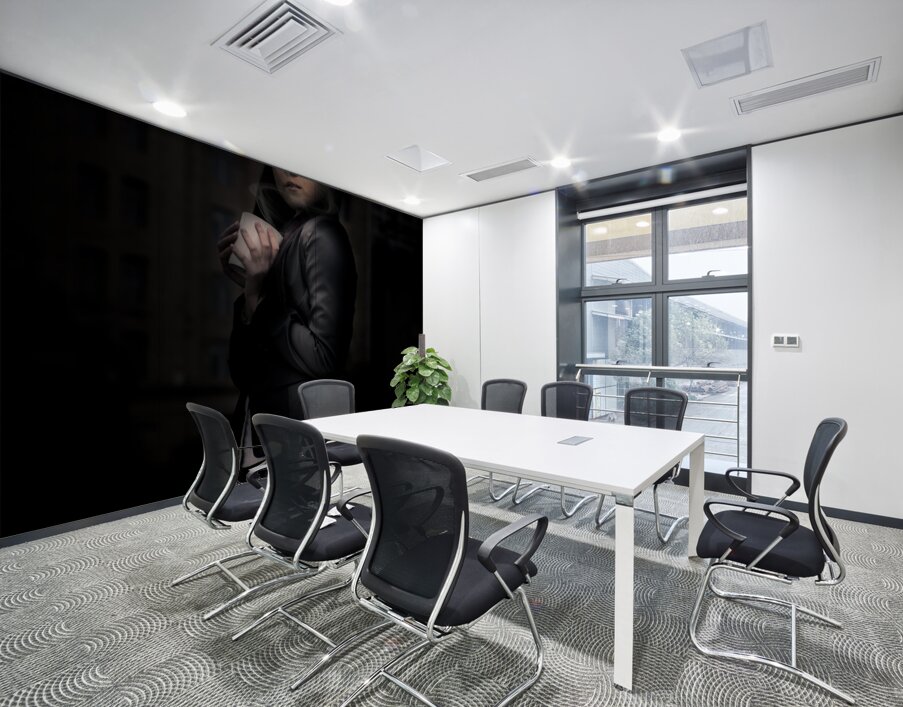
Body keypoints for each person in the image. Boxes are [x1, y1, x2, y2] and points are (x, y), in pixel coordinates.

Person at [216, 165, 357, 442]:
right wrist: (251, 289)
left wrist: (258, 297)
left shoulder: (320, 234)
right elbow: (243, 375)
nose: (290, 172)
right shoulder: (289, 236)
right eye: (282, 162)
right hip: (263, 432)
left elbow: (325, 357)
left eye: (304, 162)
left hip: (296, 437)